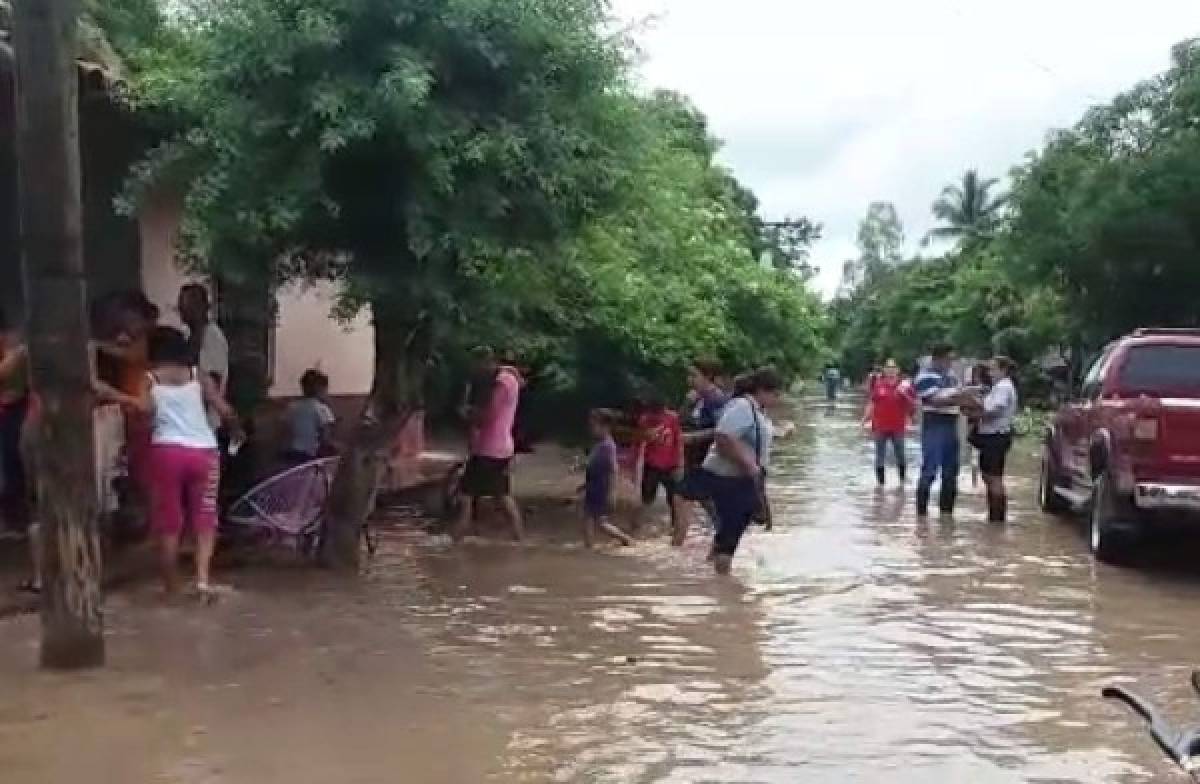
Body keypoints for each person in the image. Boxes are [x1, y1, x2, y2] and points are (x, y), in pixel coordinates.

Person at [100, 326, 241, 598]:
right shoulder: (197, 375)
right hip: (204, 452)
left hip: (167, 452)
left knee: (168, 520)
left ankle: (171, 588)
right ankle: (202, 582)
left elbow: (143, 408)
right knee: (205, 518)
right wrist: (235, 428)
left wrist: (111, 394)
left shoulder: (150, 378)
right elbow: (224, 409)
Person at [703, 367, 781, 575]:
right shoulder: (743, 407)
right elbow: (723, 437)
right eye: (775, 394)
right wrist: (749, 465)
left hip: (742, 480)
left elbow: (749, 438)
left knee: (730, 531)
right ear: (763, 391)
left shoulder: (755, 410)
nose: (777, 399)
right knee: (729, 536)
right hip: (732, 480)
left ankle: (709, 572)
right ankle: (722, 588)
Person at [453, 348, 524, 542]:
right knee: (501, 495)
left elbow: (489, 415)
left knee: (466, 495)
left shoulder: (502, 382)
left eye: (477, 365)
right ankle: (519, 538)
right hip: (501, 447)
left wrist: (467, 413)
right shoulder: (511, 379)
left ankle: (455, 542)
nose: (476, 370)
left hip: (488, 448)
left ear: (486, 361)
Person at [914, 343, 966, 517]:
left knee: (951, 471)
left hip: (951, 422)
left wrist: (963, 397)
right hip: (934, 424)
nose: (951, 363)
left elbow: (957, 395)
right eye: (948, 359)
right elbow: (933, 400)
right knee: (930, 469)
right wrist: (961, 398)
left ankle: (947, 516)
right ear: (938, 358)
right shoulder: (925, 375)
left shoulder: (951, 376)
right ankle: (921, 517)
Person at [636, 392, 688, 545]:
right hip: (652, 464)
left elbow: (678, 441)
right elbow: (641, 441)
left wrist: (680, 464)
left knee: (673, 499)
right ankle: (638, 527)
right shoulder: (645, 419)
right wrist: (648, 435)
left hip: (670, 465)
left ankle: (675, 528)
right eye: (655, 411)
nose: (658, 415)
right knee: (646, 497)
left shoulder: (672, 418)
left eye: (660, 411)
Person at [178, 284, 229, 432]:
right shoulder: (188, 336)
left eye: (186, 305)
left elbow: (214, 380)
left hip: (205, 424)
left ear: (202, 307)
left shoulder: (212, 337)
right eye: (181, 305)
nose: (182, 310)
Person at [580, 409, 634, 548]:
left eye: (594, 426)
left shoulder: (607, 445)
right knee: (588, 518)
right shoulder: (599, 444)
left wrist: (612, 491)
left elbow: (614, 469)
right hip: (594, 486)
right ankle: (589, 546)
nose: (591, 429)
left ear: (605, 427)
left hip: (601, 488)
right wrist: (584, 485)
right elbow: (593, 467)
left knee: (600, 522)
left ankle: (625, 539)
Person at [974, 357, 1019, 523]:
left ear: (1003, 370)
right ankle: (994, 515)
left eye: (993, 369)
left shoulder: (1003, 387)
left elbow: (993, 409)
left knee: (994, 477)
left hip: (995, 436)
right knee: (989, 476)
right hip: (992, 436)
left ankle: (997, 517)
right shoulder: (999, 387)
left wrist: (975, 409)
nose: (990, 373)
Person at [861, 358, 914, 486]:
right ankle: (880, 485)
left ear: (897, 370)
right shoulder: (878, 385)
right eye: (888, 368)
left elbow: (912, 405)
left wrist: (910, 419)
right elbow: (872, 403)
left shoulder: (904, 386)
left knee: (900, 455)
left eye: (893, 368)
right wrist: (864, 419)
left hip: (898, 427)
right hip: (880, 426)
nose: (890, 370)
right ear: (884, 370)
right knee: (879, 456)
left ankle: (902, 482)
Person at [284, 368, 336, 464]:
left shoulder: (292, 407)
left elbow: (286, 430)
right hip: (312, 455)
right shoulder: (321, 409)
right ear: (320, 389)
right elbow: (325, 436)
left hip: (294, 452)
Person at [963, 363, 994, 488]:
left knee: (978, 456)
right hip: (975, 425)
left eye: (976, 374)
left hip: (982, 427)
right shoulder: (986, 389)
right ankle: (975, 483)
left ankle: (978, 483)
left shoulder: (985, 389)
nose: (974, 376)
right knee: (975, 456)